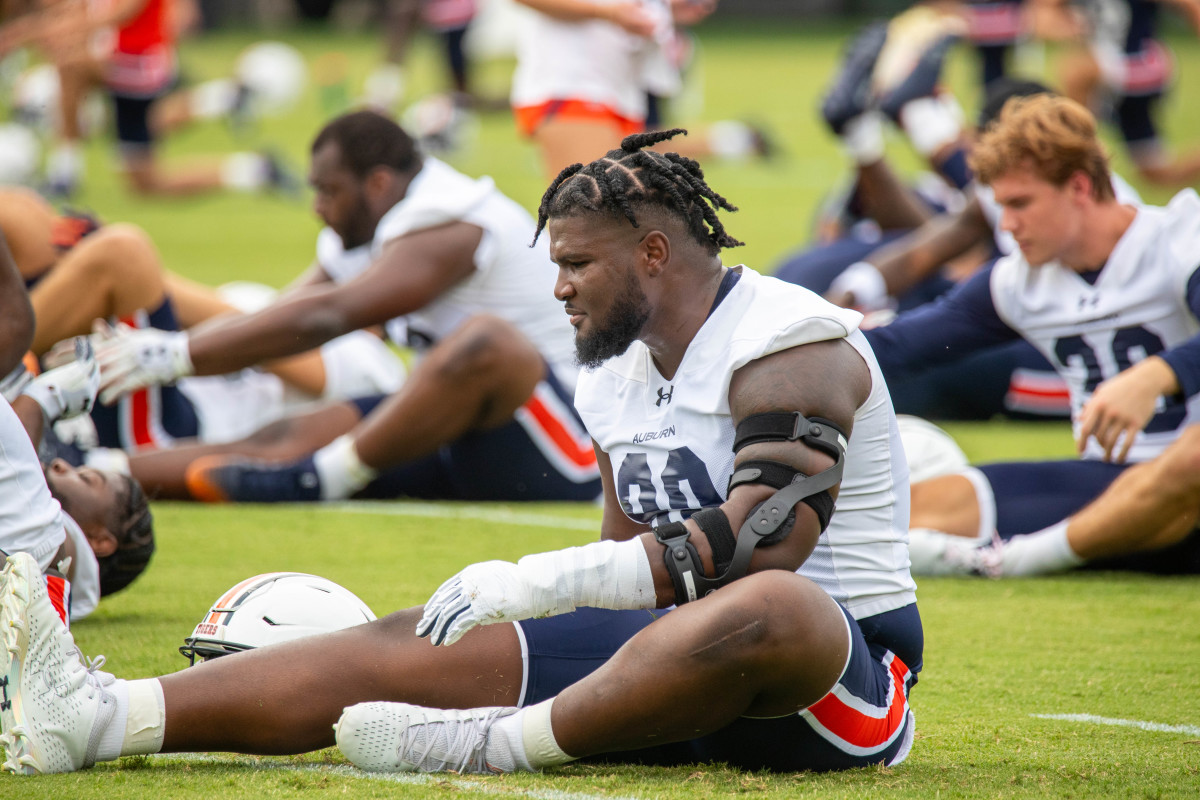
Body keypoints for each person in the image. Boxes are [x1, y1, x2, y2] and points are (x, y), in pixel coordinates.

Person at [0, 129, 920, 777]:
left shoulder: (792, 338)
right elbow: (627, 574)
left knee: (773, 603)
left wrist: (540, 583)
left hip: (832, 684)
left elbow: (767, 538)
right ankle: (103, 720)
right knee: (419, 638)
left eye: (576, 265)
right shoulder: (615, 371)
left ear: (651, 252)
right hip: (664, 672)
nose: (555, 289)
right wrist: (525, 620)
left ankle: (496, 743)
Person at [93, 109, 600, 504]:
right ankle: (99, 466)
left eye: (328, 191)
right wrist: (151, 358)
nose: (318, 207)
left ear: (378, 183)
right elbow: (282, 317)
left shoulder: (449, 217)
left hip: (562, 447)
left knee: (487, 341)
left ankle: (318, 480)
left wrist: (170, 355)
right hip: (462, 431)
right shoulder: (369, 228)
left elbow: (329, 315)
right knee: (292, 434)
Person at [863, 94, 1200, 576]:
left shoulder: (1179, 238)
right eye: (1000, 206)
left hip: (1189, 488)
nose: (1008, 225)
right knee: (933, 501)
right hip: (1106, 492)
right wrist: (778, 345)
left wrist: (1157, 375)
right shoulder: (1018, 280)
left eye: (1021, 203)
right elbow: (897, 347)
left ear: (1079, 187)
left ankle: (1016, 561)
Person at [0, 187, 404, 455]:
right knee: (22, 215)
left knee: (124, 253)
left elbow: (276, 343)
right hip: (132, 371)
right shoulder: (277, 301)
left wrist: (97, 252)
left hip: (172, 430)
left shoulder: (372, 360)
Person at [0, 0, 294, 197]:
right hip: (124, 65)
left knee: (71, 67)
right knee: (146, 182)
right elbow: (71, 10)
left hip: (137, 67)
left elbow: (121, 12)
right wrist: (21, 34)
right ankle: (254, 170)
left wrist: (59, 33)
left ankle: (64, 175)